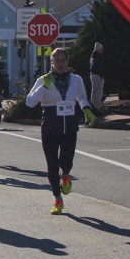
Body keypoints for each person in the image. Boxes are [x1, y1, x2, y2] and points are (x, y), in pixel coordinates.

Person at [25, 47, 95, 215]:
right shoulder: (43, 80)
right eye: (56, 60)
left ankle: (66, 175)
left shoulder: (76, 79)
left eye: (63, 60)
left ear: (67, 61)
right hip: (50, 126)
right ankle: (57, 199)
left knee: (66, 160)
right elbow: (30, 102)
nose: (60, 63)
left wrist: (86, 109)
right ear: (52, 62)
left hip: (69, 126)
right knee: (52, 164)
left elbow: (82, 97)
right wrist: (44, 87)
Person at [89, 41, 106, 114]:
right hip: (98, 75)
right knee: (99, 90)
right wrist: (101, 75)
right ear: (99, 49)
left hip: (92, 75)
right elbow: (99, 67)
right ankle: (97, 104)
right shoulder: (99, 57)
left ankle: (93, 103)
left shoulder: (92, 56)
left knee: (94, 90)